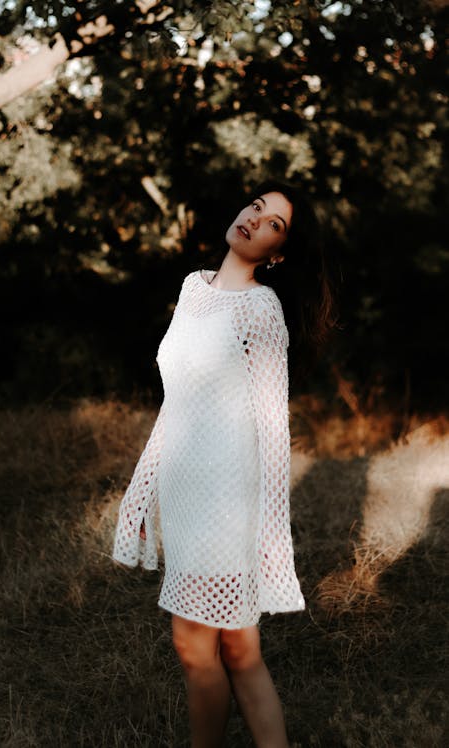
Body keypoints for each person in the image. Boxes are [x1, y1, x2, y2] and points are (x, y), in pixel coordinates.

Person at [112, 181, 335, 747]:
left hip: (224, 500)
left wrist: (268, 532)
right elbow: (176, 402)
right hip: (185, 490)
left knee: (194, 646)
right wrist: (143, 490)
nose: (256, 220)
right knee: (237, 647)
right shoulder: (193, 288)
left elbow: (270, 427)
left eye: (274, 224)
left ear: (278, 253)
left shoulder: (261, 309)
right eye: (256, 207)